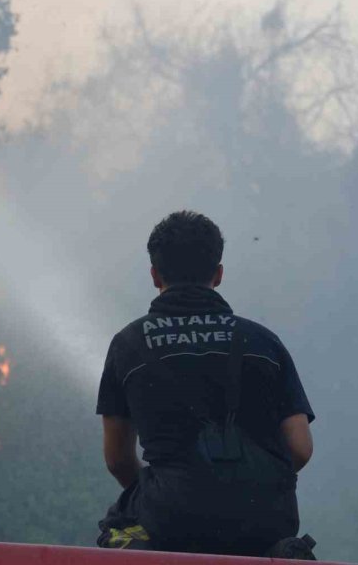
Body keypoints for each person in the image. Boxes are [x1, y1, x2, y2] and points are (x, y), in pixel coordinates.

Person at [95, 211, 315, 558]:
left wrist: (176, 493)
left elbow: (118, 459)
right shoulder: (263, 343)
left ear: (155, 275)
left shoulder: (128, 344)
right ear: (219, 273)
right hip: (266, 519)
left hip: (170, 518)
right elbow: (300, 448)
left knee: (117, 524)